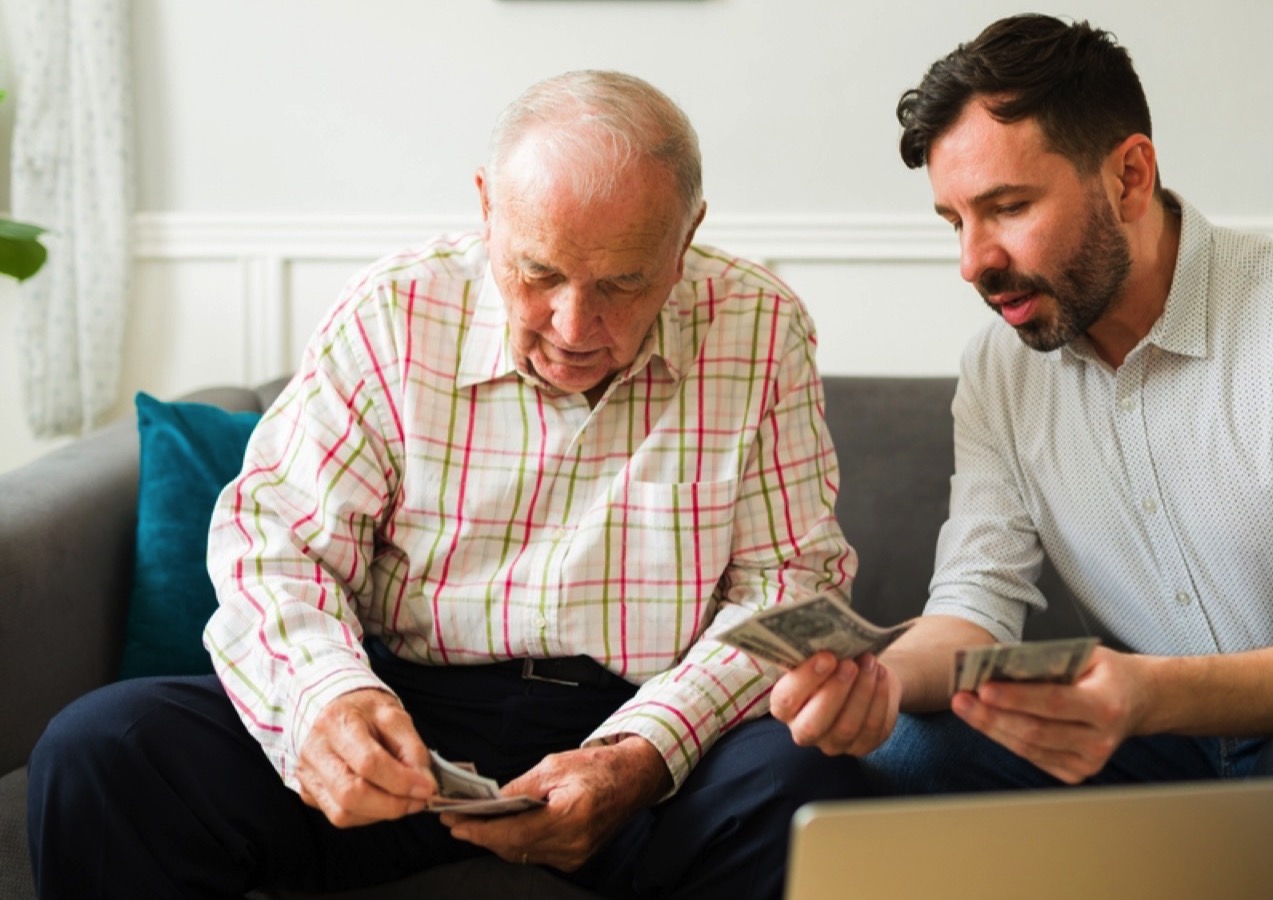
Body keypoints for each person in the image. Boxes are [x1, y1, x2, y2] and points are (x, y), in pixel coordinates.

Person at [28, 70, 868, 900]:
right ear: (487, 210)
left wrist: (645, 754)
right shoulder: (392, 312)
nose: (575, 327)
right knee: (105, 748)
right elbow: (274, 537)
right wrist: (329, 698)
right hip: (410, 718)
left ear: (685, 239)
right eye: (539, 273)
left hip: (649, 729)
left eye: (622, 283)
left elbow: (791, 586)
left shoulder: (759, 325)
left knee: (805, 787)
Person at [769, 15, 1273, 899]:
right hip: (1163, 744)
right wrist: (874, 681)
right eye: (954, 220)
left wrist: (1147, 693)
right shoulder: (1000, 371)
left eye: (1007, 208)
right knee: (909, 740)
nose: (973, 262)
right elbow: (972, 610)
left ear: (1128, 176)